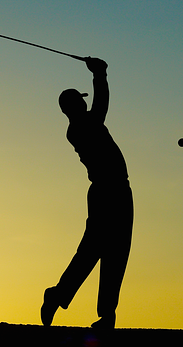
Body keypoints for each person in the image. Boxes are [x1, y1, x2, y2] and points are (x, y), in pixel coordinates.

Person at [40, 57, 133, 329]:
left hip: (117, 190)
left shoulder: (82, 125)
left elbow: (98, 107)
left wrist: (100, 74)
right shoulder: (81, 127)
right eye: (80, 101)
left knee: (116, 252)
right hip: (108, 193)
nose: (85, 102)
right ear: (75, 106)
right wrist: (100, 74)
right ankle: (59, 295)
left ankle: (105, 315)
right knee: (94, 250)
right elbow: (101, 105)